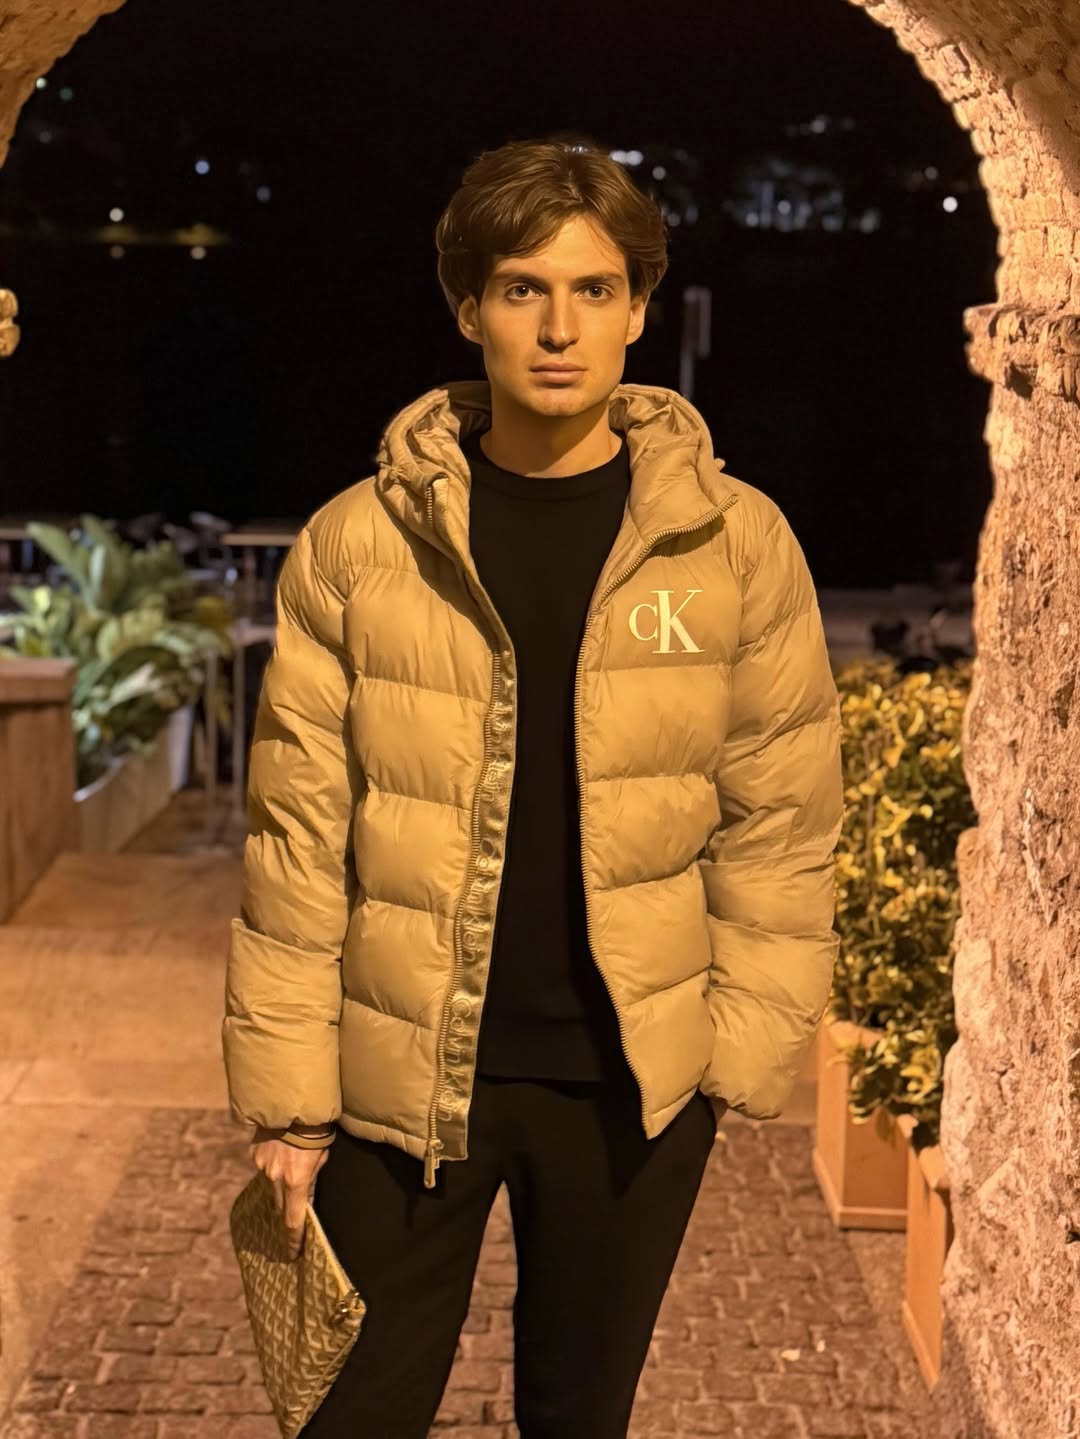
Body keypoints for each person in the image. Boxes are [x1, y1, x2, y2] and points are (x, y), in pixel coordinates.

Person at [222, 131, 845, 1439]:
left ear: (638, 309)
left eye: (593, 290)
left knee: (578, 1418)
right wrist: (289, 1102)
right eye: (523, 289)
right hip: (399, 1087)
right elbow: (297, 843)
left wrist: (737, 1050)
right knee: (350, 1418)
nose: (559, 329)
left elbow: (782, 820)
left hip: (629, 1092)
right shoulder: (359, 544)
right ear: (470, 309)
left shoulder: (736, 544)